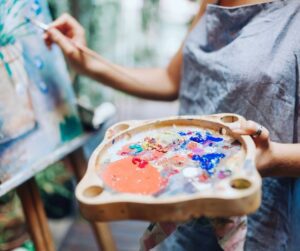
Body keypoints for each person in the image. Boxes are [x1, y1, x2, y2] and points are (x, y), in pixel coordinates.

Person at [44, 0, 300, 250]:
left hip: (260, 214)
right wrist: (87, 62)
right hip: (185, 196)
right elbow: (170, 80)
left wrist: (272, 158)